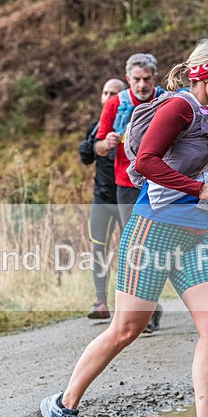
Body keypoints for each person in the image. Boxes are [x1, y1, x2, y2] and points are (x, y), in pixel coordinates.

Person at [41, 37, 208, 417]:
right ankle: (63, 405)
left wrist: (204, 191)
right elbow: (144, 161)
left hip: (194, 236)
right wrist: (199, 187)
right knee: (127, 328)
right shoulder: (179, 107)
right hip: (153, 231)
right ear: (206, 75)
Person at [94, 53, 164, 331]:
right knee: (136, 246)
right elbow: (97, 146)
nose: (142, 85)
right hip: (126, 184)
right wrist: (107, 143)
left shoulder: (166, 101)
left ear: (155, 78)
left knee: (156, 244)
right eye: (136, 79)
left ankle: (149, 306)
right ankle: (146, 310)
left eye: (147, 79)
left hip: (162, 183)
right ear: (128, 79)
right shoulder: (115, 104)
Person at [80, 78, 127, 319]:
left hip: (127, 197)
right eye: (105, 92)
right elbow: (86, 159)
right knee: (98, 247)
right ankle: (101, 302)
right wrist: (90, 143)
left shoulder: (132, 124)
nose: (108, 97)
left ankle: (144, 308)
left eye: (114, 93)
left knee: (135, 252)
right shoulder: (94, 127)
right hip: (102, 197)